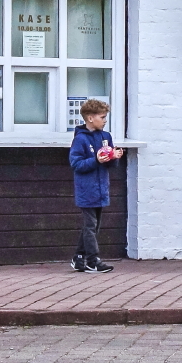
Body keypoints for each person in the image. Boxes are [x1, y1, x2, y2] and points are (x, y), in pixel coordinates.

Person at [68, 97, 118, 273]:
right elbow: (76, 164)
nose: (105, 121)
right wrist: (96, 160)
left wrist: (114, 157)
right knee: (90, 226)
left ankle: (78, 257)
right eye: (102, 117)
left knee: (93, 226)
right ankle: (92, 260)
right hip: (86, 189)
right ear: (90, 118)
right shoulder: (80, 140)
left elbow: (110, 164)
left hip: (101, 188)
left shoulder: (106, 136)